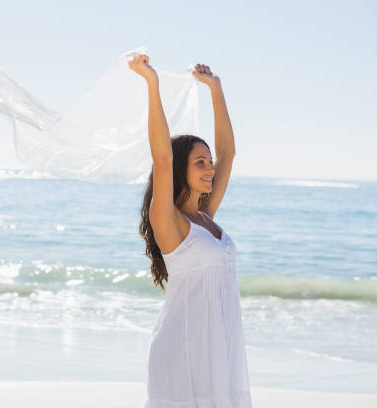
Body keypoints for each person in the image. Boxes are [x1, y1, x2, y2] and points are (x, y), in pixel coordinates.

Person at [129, 54, 253, 407]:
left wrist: (216, 89)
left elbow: (229, 154)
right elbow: (162, 157)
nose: (210, 168)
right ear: (180, 169)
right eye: (200, 162)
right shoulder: (170, 223)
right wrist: (152, 84)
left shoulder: (205, 217)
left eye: (208, 162)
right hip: (183, 349)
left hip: (218, 349)